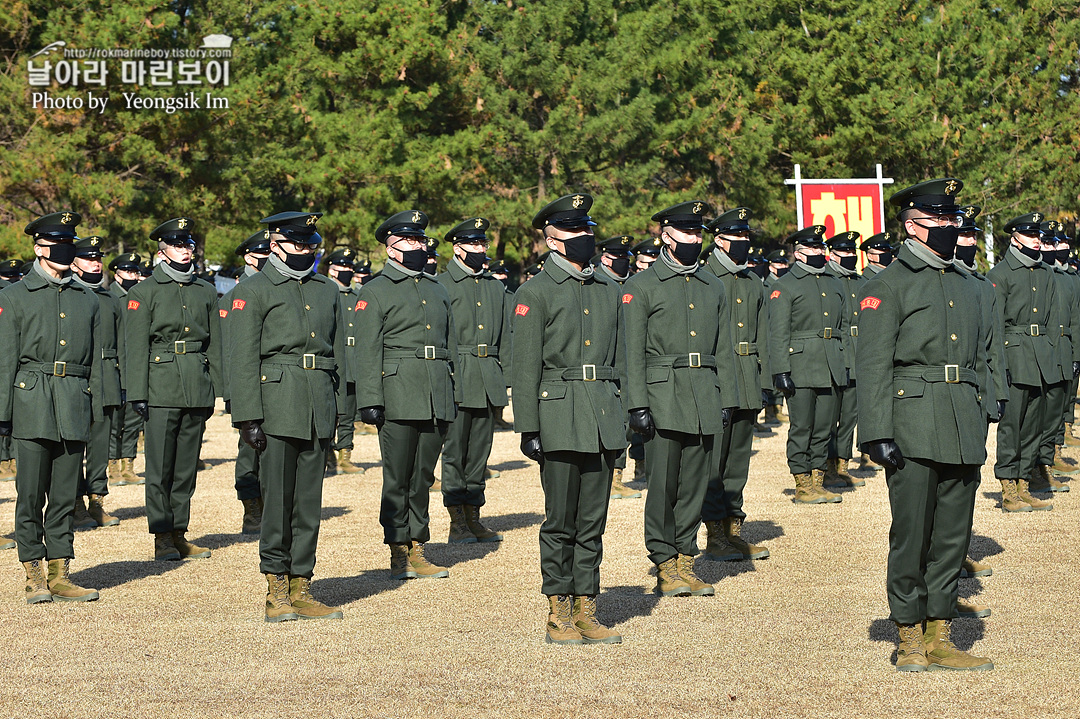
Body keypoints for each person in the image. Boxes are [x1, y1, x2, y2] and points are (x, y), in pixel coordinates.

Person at [857, 178, 993, 671]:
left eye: (952, 219)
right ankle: (909, 636)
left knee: (953, 536)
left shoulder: (967, 282)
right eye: (940, 219)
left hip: (962, 419)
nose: (950, 226)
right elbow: (872, 364)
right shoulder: (888, 284)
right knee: (912, 532)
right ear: (913, 225)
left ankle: (940, 633)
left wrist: (986, 407)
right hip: (911, 420)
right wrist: (876, 431)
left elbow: (984, 353)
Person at [513, 193, 625, 644]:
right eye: (575, 231)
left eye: (587, 229)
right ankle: (558, 609)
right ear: (552, 240)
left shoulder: (610, 290)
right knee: (560, 519)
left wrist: (623, 415)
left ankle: (587, 605)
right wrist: (528, 426)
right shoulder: (534, 292)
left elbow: (622, 360)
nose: (586, 238)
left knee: (593, 520)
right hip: (557, 415)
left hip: (600, 413)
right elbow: (524, 366)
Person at [228, 211, 345, 622]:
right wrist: (247, 417)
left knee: (309, 503)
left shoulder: (327, 289)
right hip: (276, 404)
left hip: (317, 404)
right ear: (275, 243)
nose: (307, 250)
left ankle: (303, 584)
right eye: (299, 243)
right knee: (277, 500)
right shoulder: (255, 290)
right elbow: (241, 357)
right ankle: (276, 587)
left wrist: (340, 412)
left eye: (312, 243)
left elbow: (337, 353)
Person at [0, 211, 100, 603]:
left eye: (68, 245)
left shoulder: (87, 299)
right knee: (30, 493)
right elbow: (5, 359)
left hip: (73, 401)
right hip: (31, 401)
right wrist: (3, 414)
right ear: (39, 249)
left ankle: (60, 572)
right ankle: (33, 572)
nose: (63, 251)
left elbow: (94, 359)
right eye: (56, 244)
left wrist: (94, 407)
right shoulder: (13, 296)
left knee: (63, 495)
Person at [354, 210, 457, 581]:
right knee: (397, 476)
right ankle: (398, 548)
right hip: (397, 391)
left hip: (435, 393)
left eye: (420, 240)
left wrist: (452, 388)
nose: (418, 246)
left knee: (423, 476)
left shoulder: (436, 288)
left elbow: (451, 344)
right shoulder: (375, 290)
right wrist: (369, 399)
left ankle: (419, 546)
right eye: (410, 240)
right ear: (391, 247)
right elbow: (366, 349)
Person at [124, 217, 222, 561]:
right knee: (160, 468)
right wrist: (137, 393)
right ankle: (162, 536)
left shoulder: (206, 291)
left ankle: (180, 532)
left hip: (196, 383)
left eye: (188, 245)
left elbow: (215, 344)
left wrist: (217, 390)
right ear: (162, 250)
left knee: (185, 468)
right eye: (177, 245)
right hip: (160, 385)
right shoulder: (143, 291)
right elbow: (134, 346)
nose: (185, 251)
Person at [700, 208, 770, 562]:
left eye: (746, 237)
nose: (743, 243)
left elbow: (764, 334)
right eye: (736, 237)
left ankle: (733, 530)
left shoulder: (753, 281)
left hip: (747, 377)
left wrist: (766, 381)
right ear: (719, 240)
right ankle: (714, 535)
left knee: (738, 462)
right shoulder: (705, 276)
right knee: (714, 462)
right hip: (717, 380)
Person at [436, 218, 510, 542]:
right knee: (455, 451)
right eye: (473, 244)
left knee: (480, 451)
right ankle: (456, 520)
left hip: (487, 376)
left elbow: (507, 335)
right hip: (458, 376)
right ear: (457, 248)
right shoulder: (441, 285)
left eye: (483, 244)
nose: (480, 249)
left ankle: (474, 514)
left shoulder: (496, 287)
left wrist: (504, 377)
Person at [768, 225, 850, 503]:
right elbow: (778, 333)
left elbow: (845, 325)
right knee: (802, 426)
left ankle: (818, 478)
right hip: (801, 364)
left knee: (825, 426)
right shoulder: (785, 285)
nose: (817, 252)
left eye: (820, 247)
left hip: (831, 363)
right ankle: (802, 481)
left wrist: (846, 363)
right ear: (799, 253)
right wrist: (780, 370)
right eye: (811, 248)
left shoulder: (834, 282)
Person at [987, 212, 1060, 512]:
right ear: (1016, 238)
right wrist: (1000, 367)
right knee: (1012, 426)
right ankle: (1007, 487)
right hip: (1014, 358)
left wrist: (1053, 356)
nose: (1037, 240)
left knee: (1034, 425)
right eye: (1031, 235)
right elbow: (995, 324)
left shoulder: (1046, 274)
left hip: (1040, 357)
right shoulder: (1000, 275)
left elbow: (1055, 320)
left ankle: (1024, 483)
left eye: (1039, 236)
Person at [952, 205, 1005, 610]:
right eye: (963, 233)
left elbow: (991, 350)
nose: (967, 240)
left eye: (971, 235)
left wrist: (996, 394)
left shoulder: (982, 286)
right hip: (934, 400)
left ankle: (954, 560)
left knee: (965, 487)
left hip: (973, 396)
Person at [69, 236, 123, 530]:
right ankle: (74, 504)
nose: (95, 262)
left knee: (101, 445)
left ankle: (96, 501)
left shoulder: (110, 298)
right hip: (79, 379)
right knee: (74, 445)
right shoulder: (71, 293)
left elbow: (123, 343)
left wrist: (123, 382)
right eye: (88, 258)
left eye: (98, 258)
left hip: (107, 379)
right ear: (74, 262)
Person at [219, 231, 271, 534]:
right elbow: (230, 349)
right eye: (262, 255)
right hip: (248, 383)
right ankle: (252, 509)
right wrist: (231, 393)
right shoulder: (236, 296)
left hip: (277, 381)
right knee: (249, 450)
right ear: (249, 258)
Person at [591, 235, 641, 500]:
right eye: (617, 257)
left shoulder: (632, 284)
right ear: (604, 258)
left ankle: (618, 474)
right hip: (605, 364)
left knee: (627, 421)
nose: (622, 262)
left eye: (626, 258)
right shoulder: (598, 283)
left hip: (631, 361)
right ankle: (608, 476)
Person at [1035, 220, 1080, 483]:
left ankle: (1052, 454)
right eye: (1051, 242)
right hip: (1041, 349)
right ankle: (1036, 467)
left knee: (1059, 406)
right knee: (1039, 414)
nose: (1056, 247)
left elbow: (1074, 318)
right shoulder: (1043, 275)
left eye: (1058, 243)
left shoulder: (1067, 278)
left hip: (1064, 346)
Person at [823, 231, 867, 490]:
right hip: (835, 354)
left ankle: (842, 466)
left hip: (857, 353)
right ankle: (825, 468)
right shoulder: (828, 281)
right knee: (830, 416)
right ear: (833, 254)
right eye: (845, 252)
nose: (850, 256)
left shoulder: (860, 282)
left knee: (850, 415)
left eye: (853, 252)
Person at [323, 247, 364, 476]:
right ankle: (327, 453)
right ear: (332, 270)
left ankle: (345, 454)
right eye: (342, 267)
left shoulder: (359, 296)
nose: (347, 271)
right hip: (334, 361)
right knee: (330, 413)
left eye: (350, 267)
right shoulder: (327, 293)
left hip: (354, 362)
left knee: (348, 414)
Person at [107, 253, 145, 486]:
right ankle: (112, 466)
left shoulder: (139, 296)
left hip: (135, 368)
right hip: (115, 368)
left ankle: (128, 464)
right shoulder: (109, 297)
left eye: (135, 272)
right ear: (116, 273)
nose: (132, 276)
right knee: (113, 423)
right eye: (128, 271)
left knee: (132, 421)